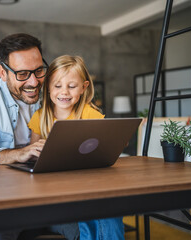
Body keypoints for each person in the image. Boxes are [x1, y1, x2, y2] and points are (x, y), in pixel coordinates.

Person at [0, 33, 79, 240]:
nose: (34, 82)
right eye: (23, 74)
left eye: (38, 71)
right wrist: (18, 154)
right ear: (3, 72)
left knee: (91, 224)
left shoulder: (54, 92)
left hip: (50, 196)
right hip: (2, 201)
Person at [28, 55, 124, 240]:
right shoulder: (40, 117)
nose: (64, 92)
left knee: (108, 214)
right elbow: (32, 153)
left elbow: (107, 147)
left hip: (88, 185)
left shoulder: (90, 114)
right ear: (48, 87)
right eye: (57, 86)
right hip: (55, 189)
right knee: (87, 219)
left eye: (71, 86)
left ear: (83, 87)